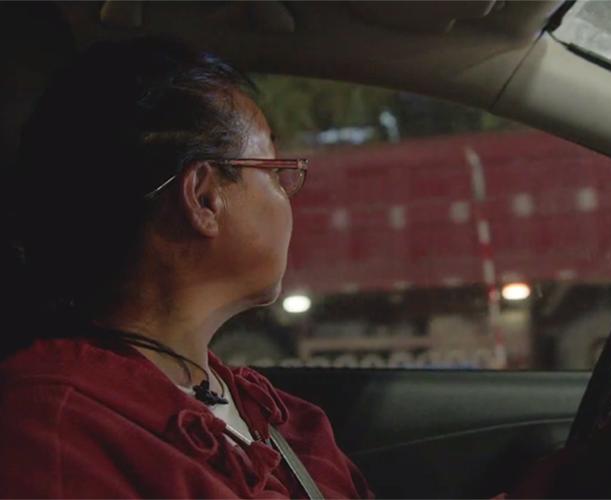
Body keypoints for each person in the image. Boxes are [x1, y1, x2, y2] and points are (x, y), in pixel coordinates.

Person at [0, 37, 372, 498]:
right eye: (275, 170)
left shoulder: (280, 419)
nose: (288, 192)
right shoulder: (57, 435)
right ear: (204, 198)